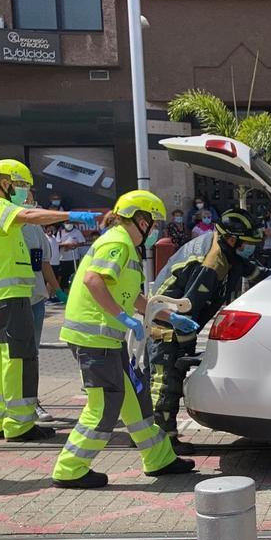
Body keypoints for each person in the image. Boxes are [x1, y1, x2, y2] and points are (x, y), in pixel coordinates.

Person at [51, 190, 197, 489]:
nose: (155, 229)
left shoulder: (123, 244)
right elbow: (94, 281)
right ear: (140, 220)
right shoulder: (117, 242)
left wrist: (169, 317)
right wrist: (122, 317)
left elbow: (133, 297)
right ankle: (70, 468)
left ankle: (159, 458)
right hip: (95, 337)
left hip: (107, 338)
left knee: (135, 397)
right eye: (153, 222)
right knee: (104, 406)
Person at [0, 159, 95, 442]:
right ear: (5, 182)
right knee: (19, 358)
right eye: (22, 186)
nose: (25, 192)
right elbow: (28, 214)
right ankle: (20, 423)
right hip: (9, 297)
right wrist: (69, 215)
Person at [148, 208, 271, 454]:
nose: (251, 248)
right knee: (165, 383)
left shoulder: (226, 248)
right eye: (248, 243)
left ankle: (164, 437)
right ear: (233, 239)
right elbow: (187, 308)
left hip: (178, 321)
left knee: (171, 379)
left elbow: (254, 272)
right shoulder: (211, 262)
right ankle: (161, 444)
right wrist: (185, 347)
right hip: (167, 325)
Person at [18, 190, 63, 423]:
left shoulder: (36, 230)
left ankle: (32, 401)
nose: (27, 201)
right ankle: (16, 404)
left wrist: (56, 289)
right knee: (14, 356)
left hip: (35, 297)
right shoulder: (5, 226)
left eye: (28, 197)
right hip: (12, 298)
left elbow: (44, 262)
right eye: (22, 196)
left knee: (32, 353)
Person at [55, 220, 89, 290]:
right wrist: (66, 244)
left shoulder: (77, 232)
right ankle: (60, 291)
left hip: (74, 258)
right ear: (64, 224)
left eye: (70, 223)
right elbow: (56, 244)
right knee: (61, 276)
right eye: (67, 223)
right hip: (62, 258)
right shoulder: (60, 232)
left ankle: (72, 290)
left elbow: (82, 242)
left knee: (73, 275)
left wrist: (74, 245)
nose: (68, 224)